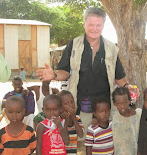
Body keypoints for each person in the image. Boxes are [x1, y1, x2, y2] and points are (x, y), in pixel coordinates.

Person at [36, 7, 140, 140]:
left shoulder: (112, 48)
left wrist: (128, 86)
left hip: (104, 107)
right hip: (79, 105)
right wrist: (54, 75)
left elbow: (119, 77)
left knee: (103, 141)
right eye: (91, 24)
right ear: (84, 24)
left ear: (103, 26)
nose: (94, 28)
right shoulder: (73, 45)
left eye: (98, 25)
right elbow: (65, 72)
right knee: (80, 140)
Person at [112, 87, 142, 155]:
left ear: (129, 101)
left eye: (124, 103)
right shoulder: (113, 117)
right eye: (119, 104)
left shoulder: (137, 115)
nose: (122, 106)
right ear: (114, 103)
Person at [58, 90, 84, 155]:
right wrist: (66, 120)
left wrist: (74, 118)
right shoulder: (59, 120)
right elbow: (64, 139)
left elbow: (81, 135)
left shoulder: (77, 118)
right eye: (67, 103)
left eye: (72, 102)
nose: (71, 105)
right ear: (60, 107)